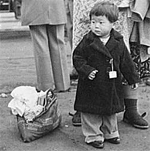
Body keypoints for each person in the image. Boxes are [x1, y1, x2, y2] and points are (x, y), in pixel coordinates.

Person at [72, 2, 140, 148]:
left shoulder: (118, 41)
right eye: (93, 22)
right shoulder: (87, 40)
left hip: (111, 82)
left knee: (110, 110)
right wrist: (86, 70)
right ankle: (93, 135)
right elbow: (77, 57)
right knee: (91, 111)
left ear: (112, 24)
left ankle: (110, 132)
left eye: (101, 22)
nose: (96, 26)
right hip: (92, 83)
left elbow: (126, 62)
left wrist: (132, 78)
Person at [21, 0, 70, 92]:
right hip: (55, 5)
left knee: (40, 46)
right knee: (58, 44)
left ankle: (45, 85)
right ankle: (63, 84)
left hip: (34, 6)